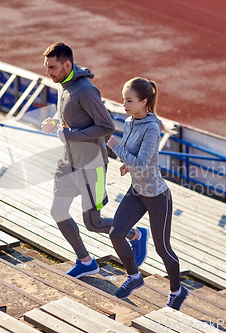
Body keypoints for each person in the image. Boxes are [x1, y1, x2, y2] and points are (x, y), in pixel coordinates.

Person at [41, 42, 150, 279]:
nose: (48, 72)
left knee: (93, 222)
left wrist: (68, 134)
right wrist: (55, 122)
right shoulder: (64, 83)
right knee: (58, 211)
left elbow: (106, 126)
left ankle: (136, 235)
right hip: (69, 162)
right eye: (47, 66)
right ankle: (86, 261)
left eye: (52, 67)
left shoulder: (85, 91)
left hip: (92, 166)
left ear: (67, 65)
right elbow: (73, 116)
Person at [106, 77, 189, 310]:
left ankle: (177, 291)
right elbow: (133, 154)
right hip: (137, 190)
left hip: (156, 195)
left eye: (129, 100)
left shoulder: (152, 128)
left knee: (163, 249)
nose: (124, 104)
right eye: (124, 99)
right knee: (116, 233)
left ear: (144, 101)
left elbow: (141, 164)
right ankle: (134, 276)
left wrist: (114, 146)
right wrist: (126, 163)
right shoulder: (131, 120)